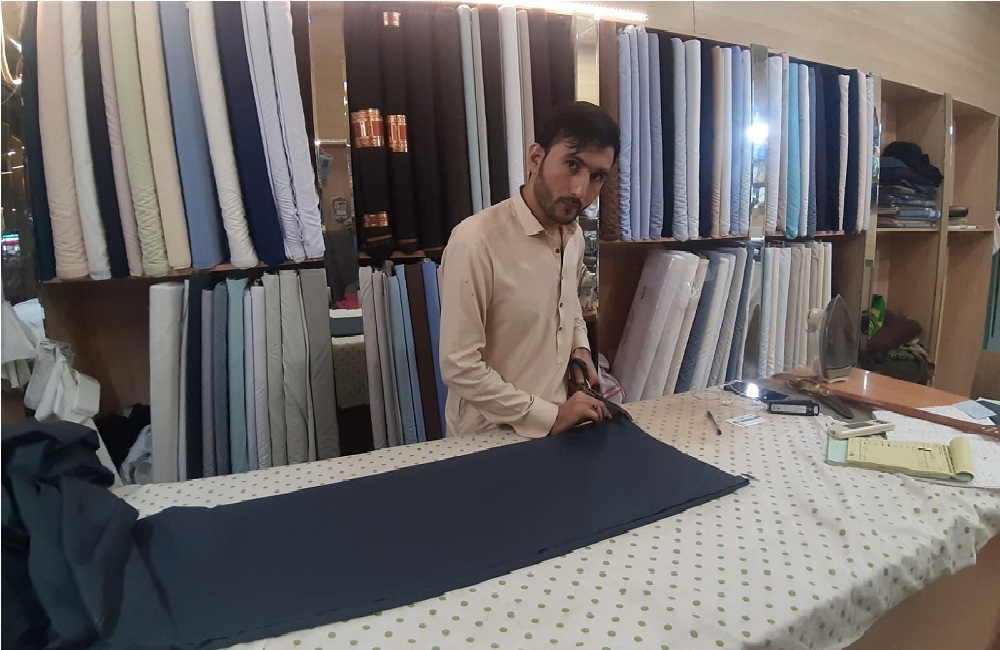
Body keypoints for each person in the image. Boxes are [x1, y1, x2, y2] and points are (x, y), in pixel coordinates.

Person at [439, 101, 619, 437]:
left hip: (559, 428)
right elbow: (459, 366)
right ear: (536, 158)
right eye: (572, 165)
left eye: (597, 176)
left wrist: (579, 347)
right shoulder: (476, 241)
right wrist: (549, 416)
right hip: (488, 438)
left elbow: (568, 307)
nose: (580, 190)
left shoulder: (574, 237)